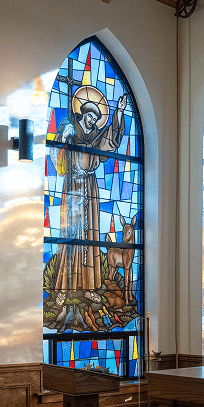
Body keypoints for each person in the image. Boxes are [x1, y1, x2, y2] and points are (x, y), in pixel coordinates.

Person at [49, 93, 127, 331]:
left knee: (90, 237)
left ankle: (90, 288)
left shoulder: (95, 138)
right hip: (73, 186)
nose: (93, 121)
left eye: (96, 118)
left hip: (90, 189)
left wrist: (119, 112)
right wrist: (64, 139)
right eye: (90, 116)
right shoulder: (69, 130)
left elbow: (111, 141)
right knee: (70, 237)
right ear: (82, 114)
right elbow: (58, 161)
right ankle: (63, 290)